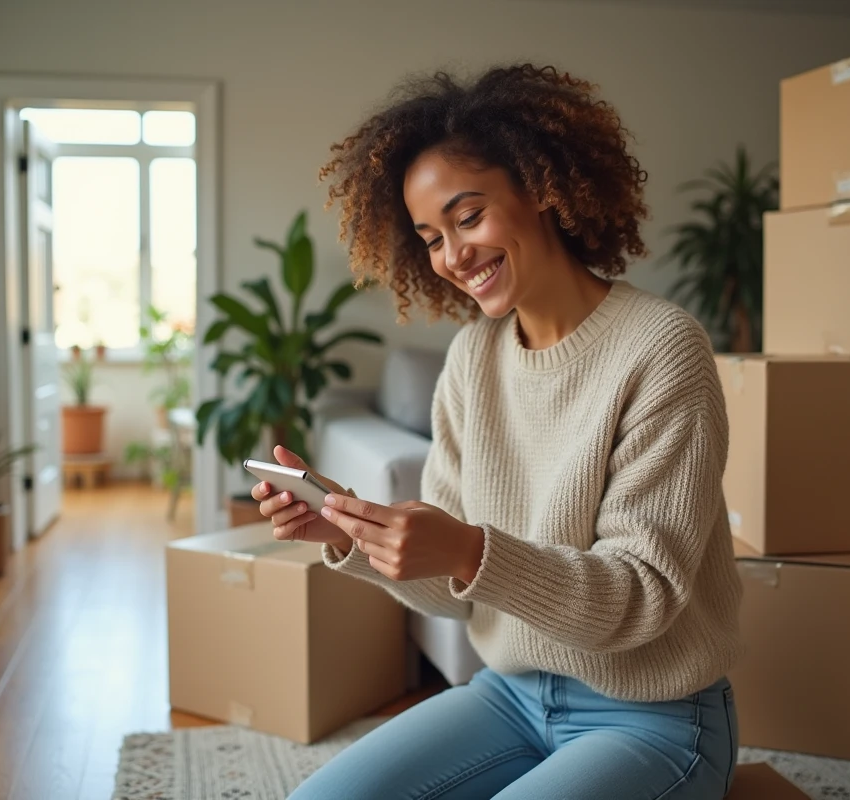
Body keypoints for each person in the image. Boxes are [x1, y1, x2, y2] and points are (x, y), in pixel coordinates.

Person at [253, 63, 743, 800]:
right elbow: (457, 597)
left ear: (543, 188)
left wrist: (467, 548)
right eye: (430, 237)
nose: (452, 257)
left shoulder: (662, 348)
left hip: (655, 716)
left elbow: (642, 596)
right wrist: (352, 533)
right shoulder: (471, 359)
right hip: (511, 695)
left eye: (468, 217)